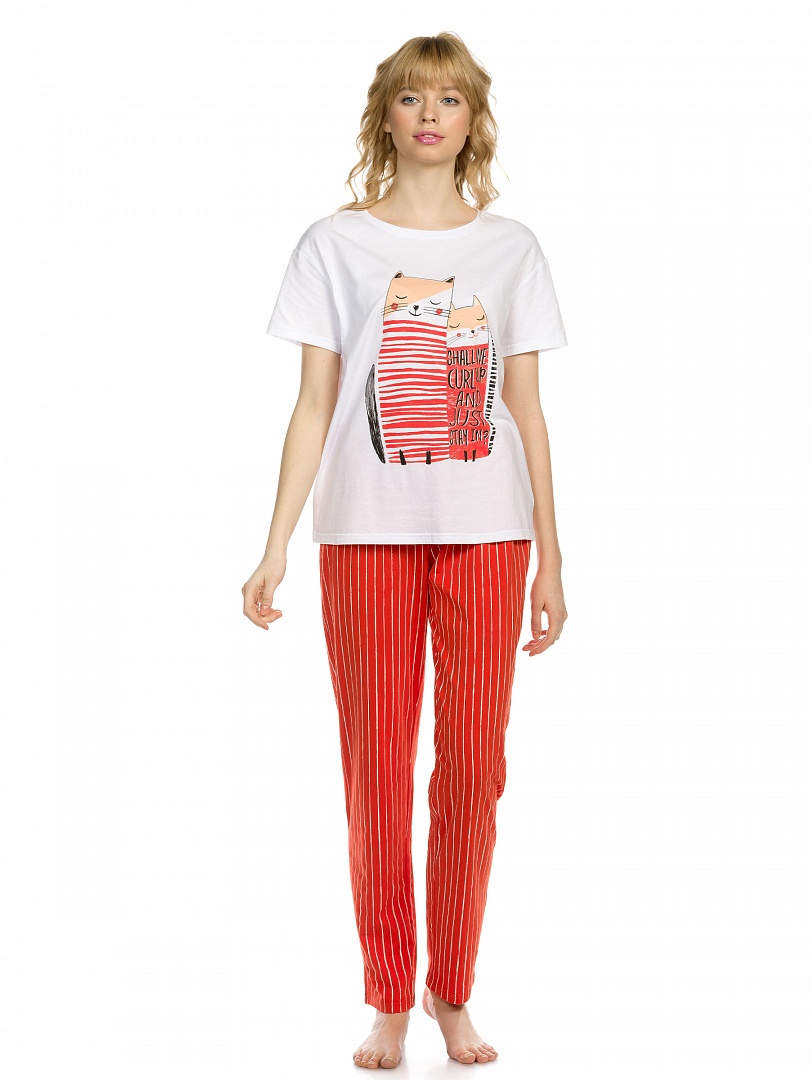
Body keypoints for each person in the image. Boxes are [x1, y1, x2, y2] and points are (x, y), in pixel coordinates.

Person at [242, 31, 569, 1070]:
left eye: (451, 99)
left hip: (490, 534)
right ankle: (390, 991)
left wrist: (553, 557)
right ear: (385, 115)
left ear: (474, 121)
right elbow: (314, 404)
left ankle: (450, 988)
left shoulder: (512, 250)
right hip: (365, 534)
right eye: (413, 97)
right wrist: (275, 544)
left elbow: (526, 407)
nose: (432, 115)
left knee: (474, 771)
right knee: (377, 770)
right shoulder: (332, 245)